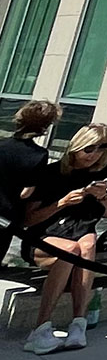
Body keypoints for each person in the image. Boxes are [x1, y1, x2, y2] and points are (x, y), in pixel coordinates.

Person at [20, 123, 107, 354]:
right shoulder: (51, 173)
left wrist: (103, 196)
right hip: (44, 236)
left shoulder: (103, 170)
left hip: (80, 230)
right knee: (71, 250)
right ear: (76, 147)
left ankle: (78, 323)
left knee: (88, 243)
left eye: (102, 148)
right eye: (89, 149)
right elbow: (28, 219)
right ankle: (40, 328)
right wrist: (61, 203)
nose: (95, 155)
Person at [0, 100, 59, 264]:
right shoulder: (38, 155)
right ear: (44, 128)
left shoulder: (1, 146)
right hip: (7, 218)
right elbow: (26, 193)